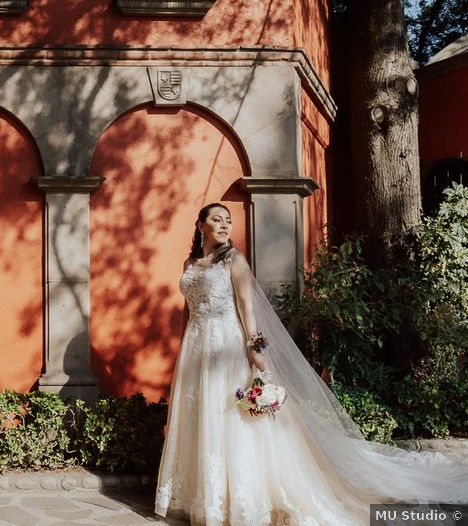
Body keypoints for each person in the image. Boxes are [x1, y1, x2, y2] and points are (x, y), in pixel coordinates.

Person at [155, 203, 468, 526]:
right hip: (196, 348)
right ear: (200, 225)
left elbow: (247, 308)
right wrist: (183, 349)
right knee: (201, 416)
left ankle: (238, 499)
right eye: (216, 220)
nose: (224, 225)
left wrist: (255, 348)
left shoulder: (234, 261)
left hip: (228, 347)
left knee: (230, 419)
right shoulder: (190, 263)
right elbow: (186, 312)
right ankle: (203, 497)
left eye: (228, 221)